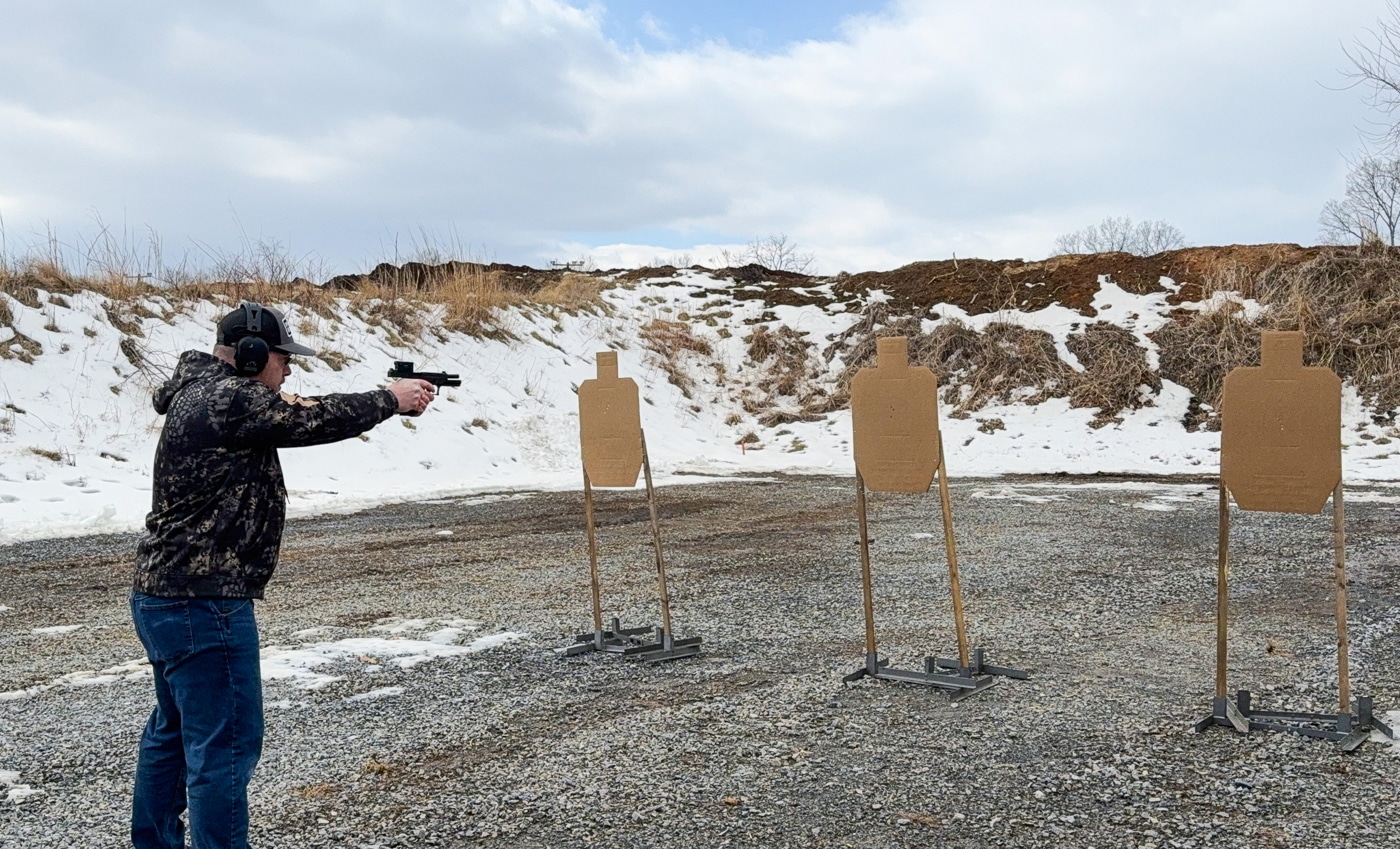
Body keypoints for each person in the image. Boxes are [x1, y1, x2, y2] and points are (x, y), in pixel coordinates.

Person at [128, 301, 437, 848]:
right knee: (224, 747)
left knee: (173, 736)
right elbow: (313, 419)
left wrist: (389, 399)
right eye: (282, 358)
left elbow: (301, 407)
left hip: (169, 594)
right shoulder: (229, 397)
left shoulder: (203, 393)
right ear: (251, 355)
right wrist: (390, 399)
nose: (289, 369)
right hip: (203, 599)